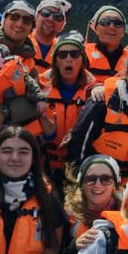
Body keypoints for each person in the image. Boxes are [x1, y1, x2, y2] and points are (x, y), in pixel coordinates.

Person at [67, 50, 128, 180]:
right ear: (126, 74)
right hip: (98, 176)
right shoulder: (103, 100)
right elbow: (79, 141)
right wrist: (77, 175)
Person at [36, 30, 95, 186]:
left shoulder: (94, 93)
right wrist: (48, 135)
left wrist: (76, 135)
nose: (69, 59)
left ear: (82, 60)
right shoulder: (39, 90)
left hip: (78, 169)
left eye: (75, 54)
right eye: (62, 55)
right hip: (44, 167)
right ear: (56, 61)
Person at [30, 0, 71, 70]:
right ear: (37, 16)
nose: (50, 19)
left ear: (62, 25)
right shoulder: (20, 41)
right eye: (46, 13)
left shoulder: (65, 53)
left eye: (57, 17)